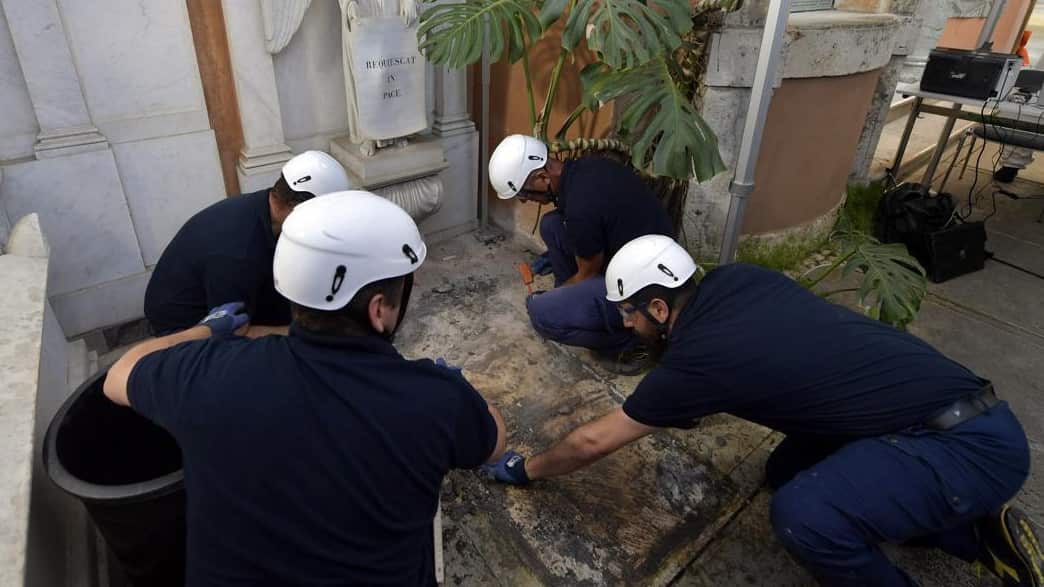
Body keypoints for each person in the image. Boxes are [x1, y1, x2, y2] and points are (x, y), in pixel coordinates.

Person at [484, 234, 1042, 586]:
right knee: (780, 473)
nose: (626, 325)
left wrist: (523, 468)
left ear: (658, 306)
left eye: (631, 315)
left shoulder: (696, 364)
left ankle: (967, 532)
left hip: (965, 446)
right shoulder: (736, 279)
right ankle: (975, 531)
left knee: (805, 515)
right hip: (950, 405)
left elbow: (592, 442)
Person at [104, 191, 507, 586]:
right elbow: (494, 444)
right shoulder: (432, 401)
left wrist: (205, 331)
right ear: (378, 309)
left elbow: (118, 376)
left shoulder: (210, 374)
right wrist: (457, 390)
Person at [488, 134, 674, 374]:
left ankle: (632, 342)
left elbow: (587, 273)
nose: (525, 202)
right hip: (644, 257)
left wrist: (549, 300)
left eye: (525, 194)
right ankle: (573, 303)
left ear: (542, 177)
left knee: (542, 315)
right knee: (551, 225)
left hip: (646, 292)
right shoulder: (588, 168)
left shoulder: (580, 208)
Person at [144, 150, 351, 337]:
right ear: (295, 206)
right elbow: (235, 331)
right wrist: (313, 336)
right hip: (185, 326)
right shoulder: (238, 252)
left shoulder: (264, 207)